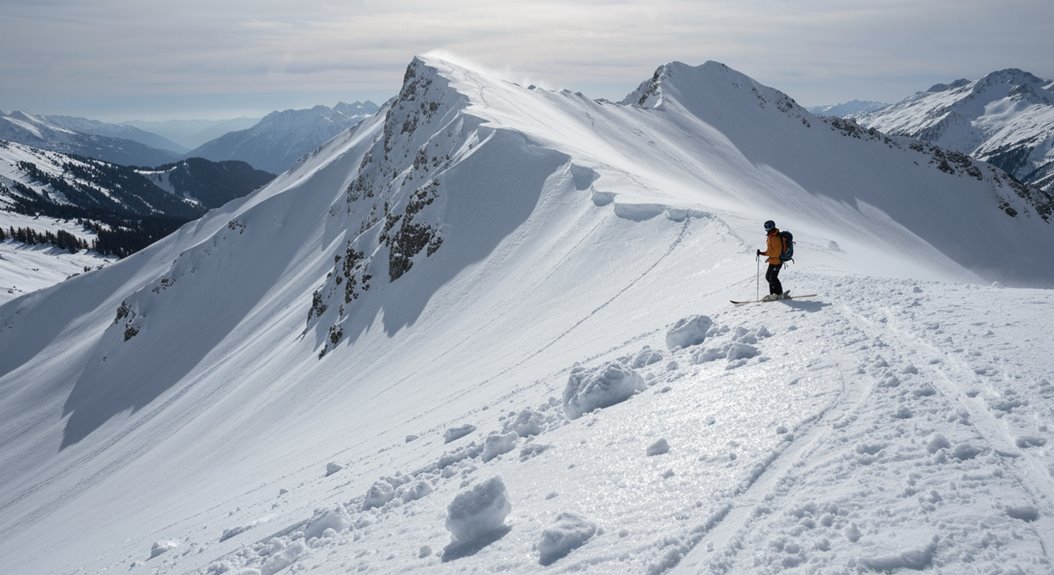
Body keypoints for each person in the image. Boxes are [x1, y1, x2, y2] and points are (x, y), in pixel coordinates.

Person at [756, 220, 788, 301]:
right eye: (765, 227)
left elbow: (777, 252)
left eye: (768, 226)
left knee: (772, 277)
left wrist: (765, 254)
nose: (766, 228)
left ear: (772, 226)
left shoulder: (775, 237)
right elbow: (771, 250)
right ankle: (776, 293)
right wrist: (762, 253)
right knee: (769, 277)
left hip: (778, 261)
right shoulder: (771, 236)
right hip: (773, 261)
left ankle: (777, 294)